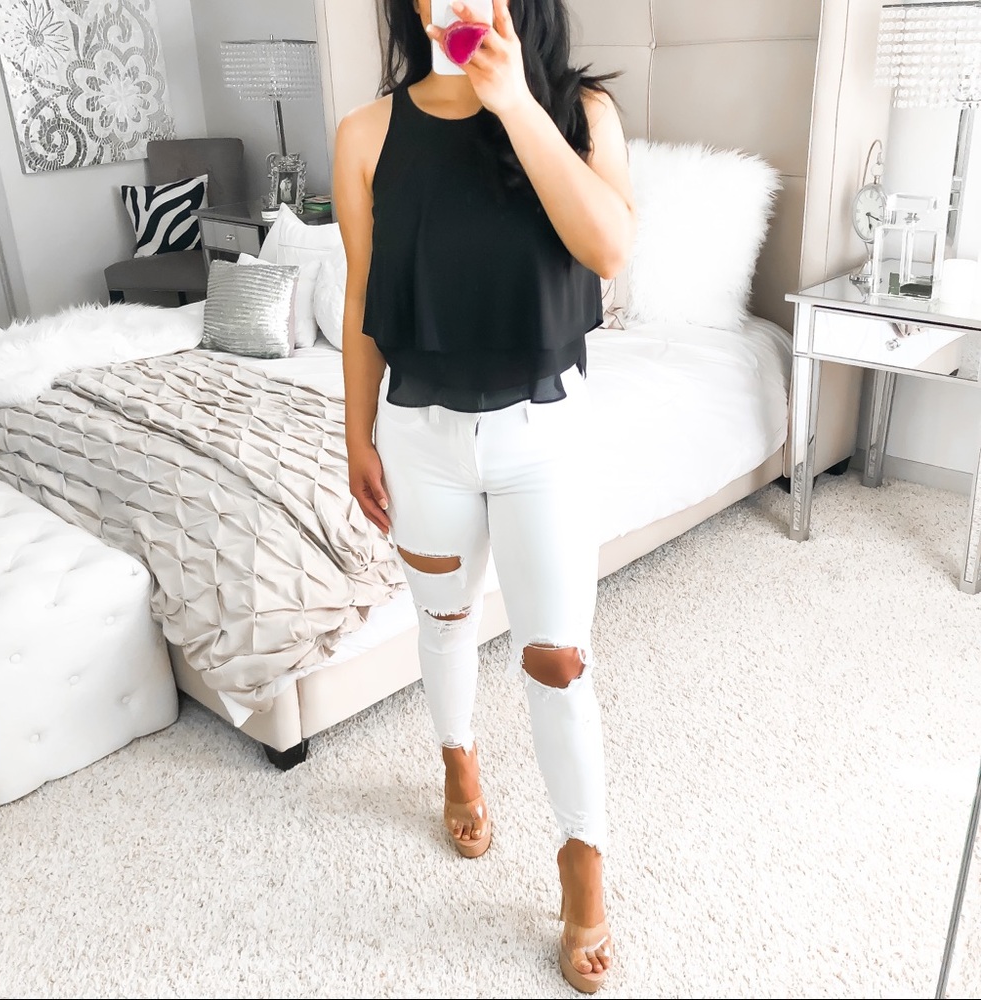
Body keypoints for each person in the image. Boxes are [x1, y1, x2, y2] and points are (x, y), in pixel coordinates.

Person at [333, 0, 635, 991]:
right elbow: (362, 296)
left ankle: (581, 860)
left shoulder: (580, 113)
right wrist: (356, 432)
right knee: (444, 621)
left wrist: (514, 104)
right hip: (419, 438)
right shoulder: (366, 134)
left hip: (546, 437)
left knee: (559, 660)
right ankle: (457, 760)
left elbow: (610, 251)